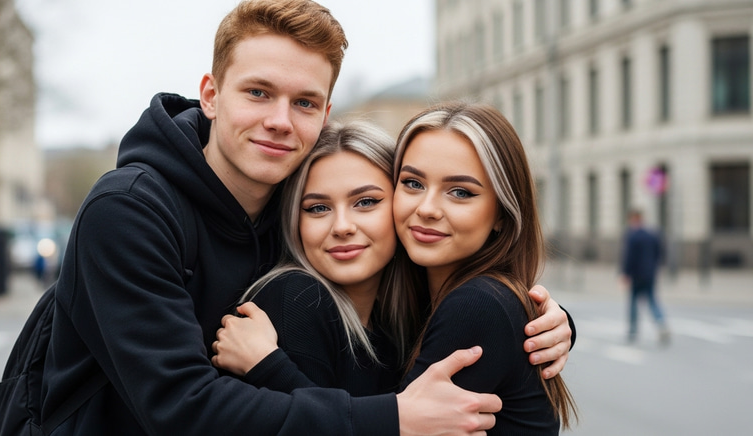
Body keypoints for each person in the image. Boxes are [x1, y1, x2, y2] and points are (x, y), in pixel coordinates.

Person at [36, 1, 569, 434]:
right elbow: (181, 407)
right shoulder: (130, 210)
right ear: (211, 95)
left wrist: (543, 322)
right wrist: (396, 417)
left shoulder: (291, 192)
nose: (279, 121)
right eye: (258, 92)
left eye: (305, 103)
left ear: (326, 114)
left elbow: (456, 277)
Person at [212, 120, 575, 397]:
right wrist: (270, 367)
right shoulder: (297, 298)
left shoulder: (407, 318)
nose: (342, 226)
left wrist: (551, 321)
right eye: (317, 207)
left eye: (366, 202)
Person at [393, 103, 577, 434]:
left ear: (502, 215)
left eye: (460, 192)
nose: (427, 208)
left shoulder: (477, 305)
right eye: (413, 183)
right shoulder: (433, 299)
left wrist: (270, 361)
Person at [621, 209, 670, 344]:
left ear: (633, 219)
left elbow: (629, 257)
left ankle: (632, 330)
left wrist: (625, 273)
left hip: (636, 275)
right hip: (650, 274)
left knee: (633, 302)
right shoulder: (652, 234)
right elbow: (660, 252)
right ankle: (661, 323)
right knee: (652, 299)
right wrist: (656, 267)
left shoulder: (632, 236)